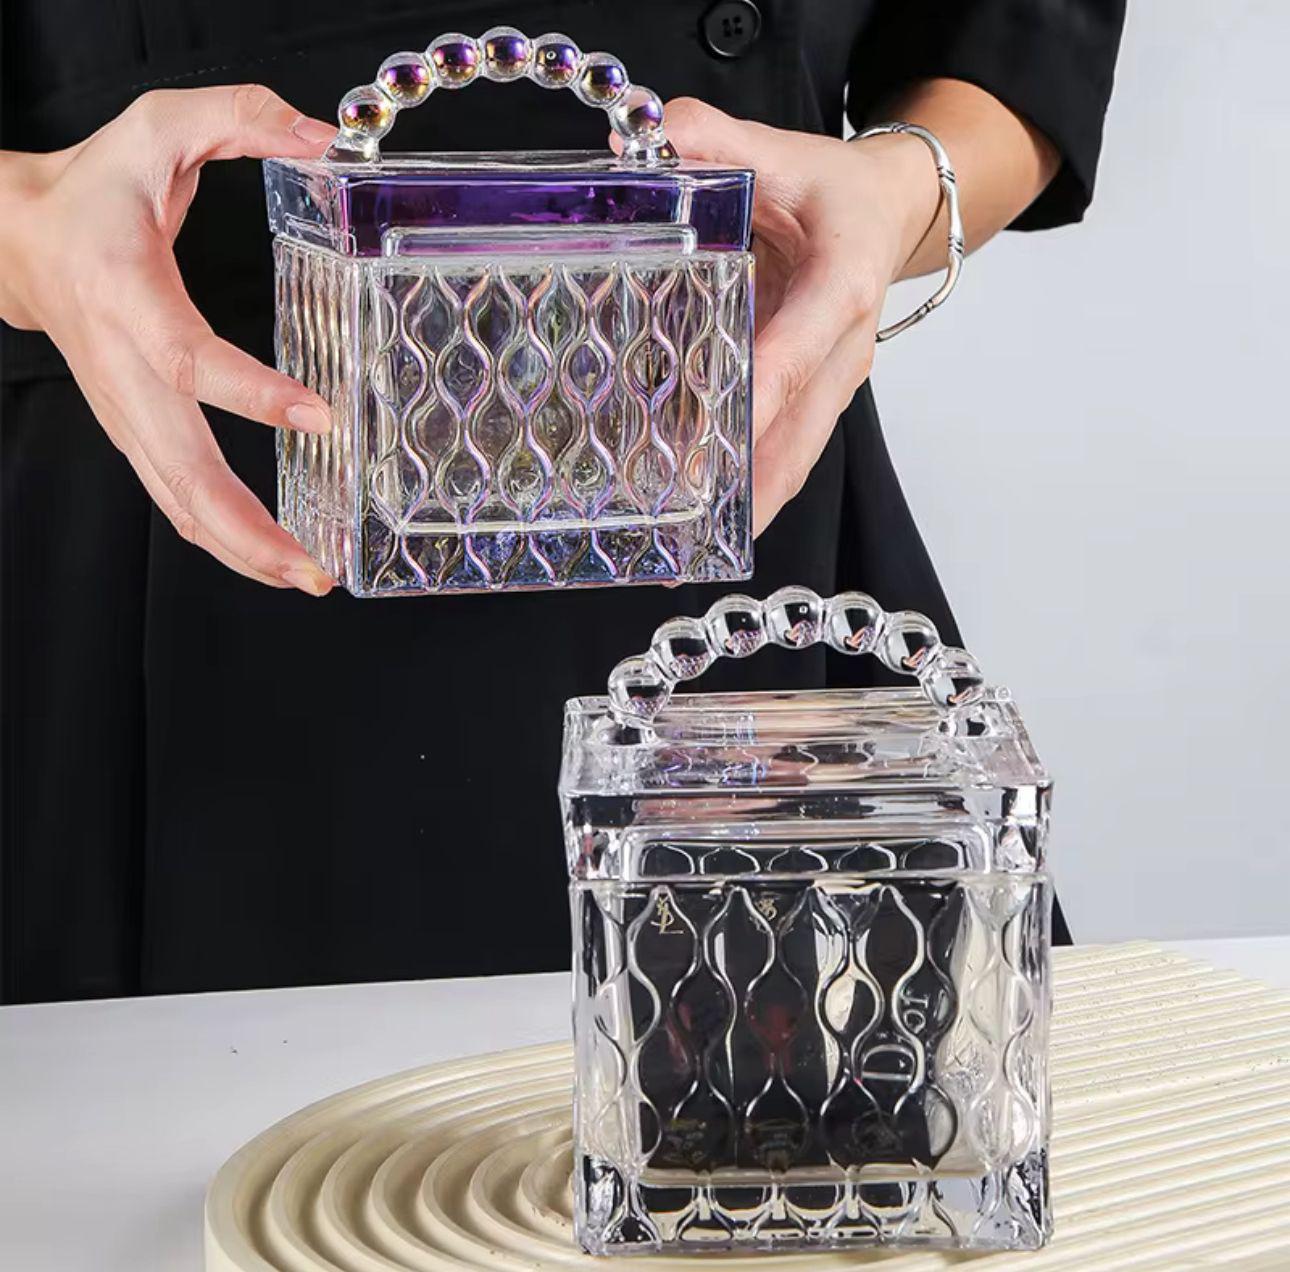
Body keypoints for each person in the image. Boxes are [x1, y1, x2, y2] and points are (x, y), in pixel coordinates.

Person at [0, 2, 1124, 1003]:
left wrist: (889, 195)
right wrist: (31, 223)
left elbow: (1009, 48)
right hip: (180, 503)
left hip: (714, 486)